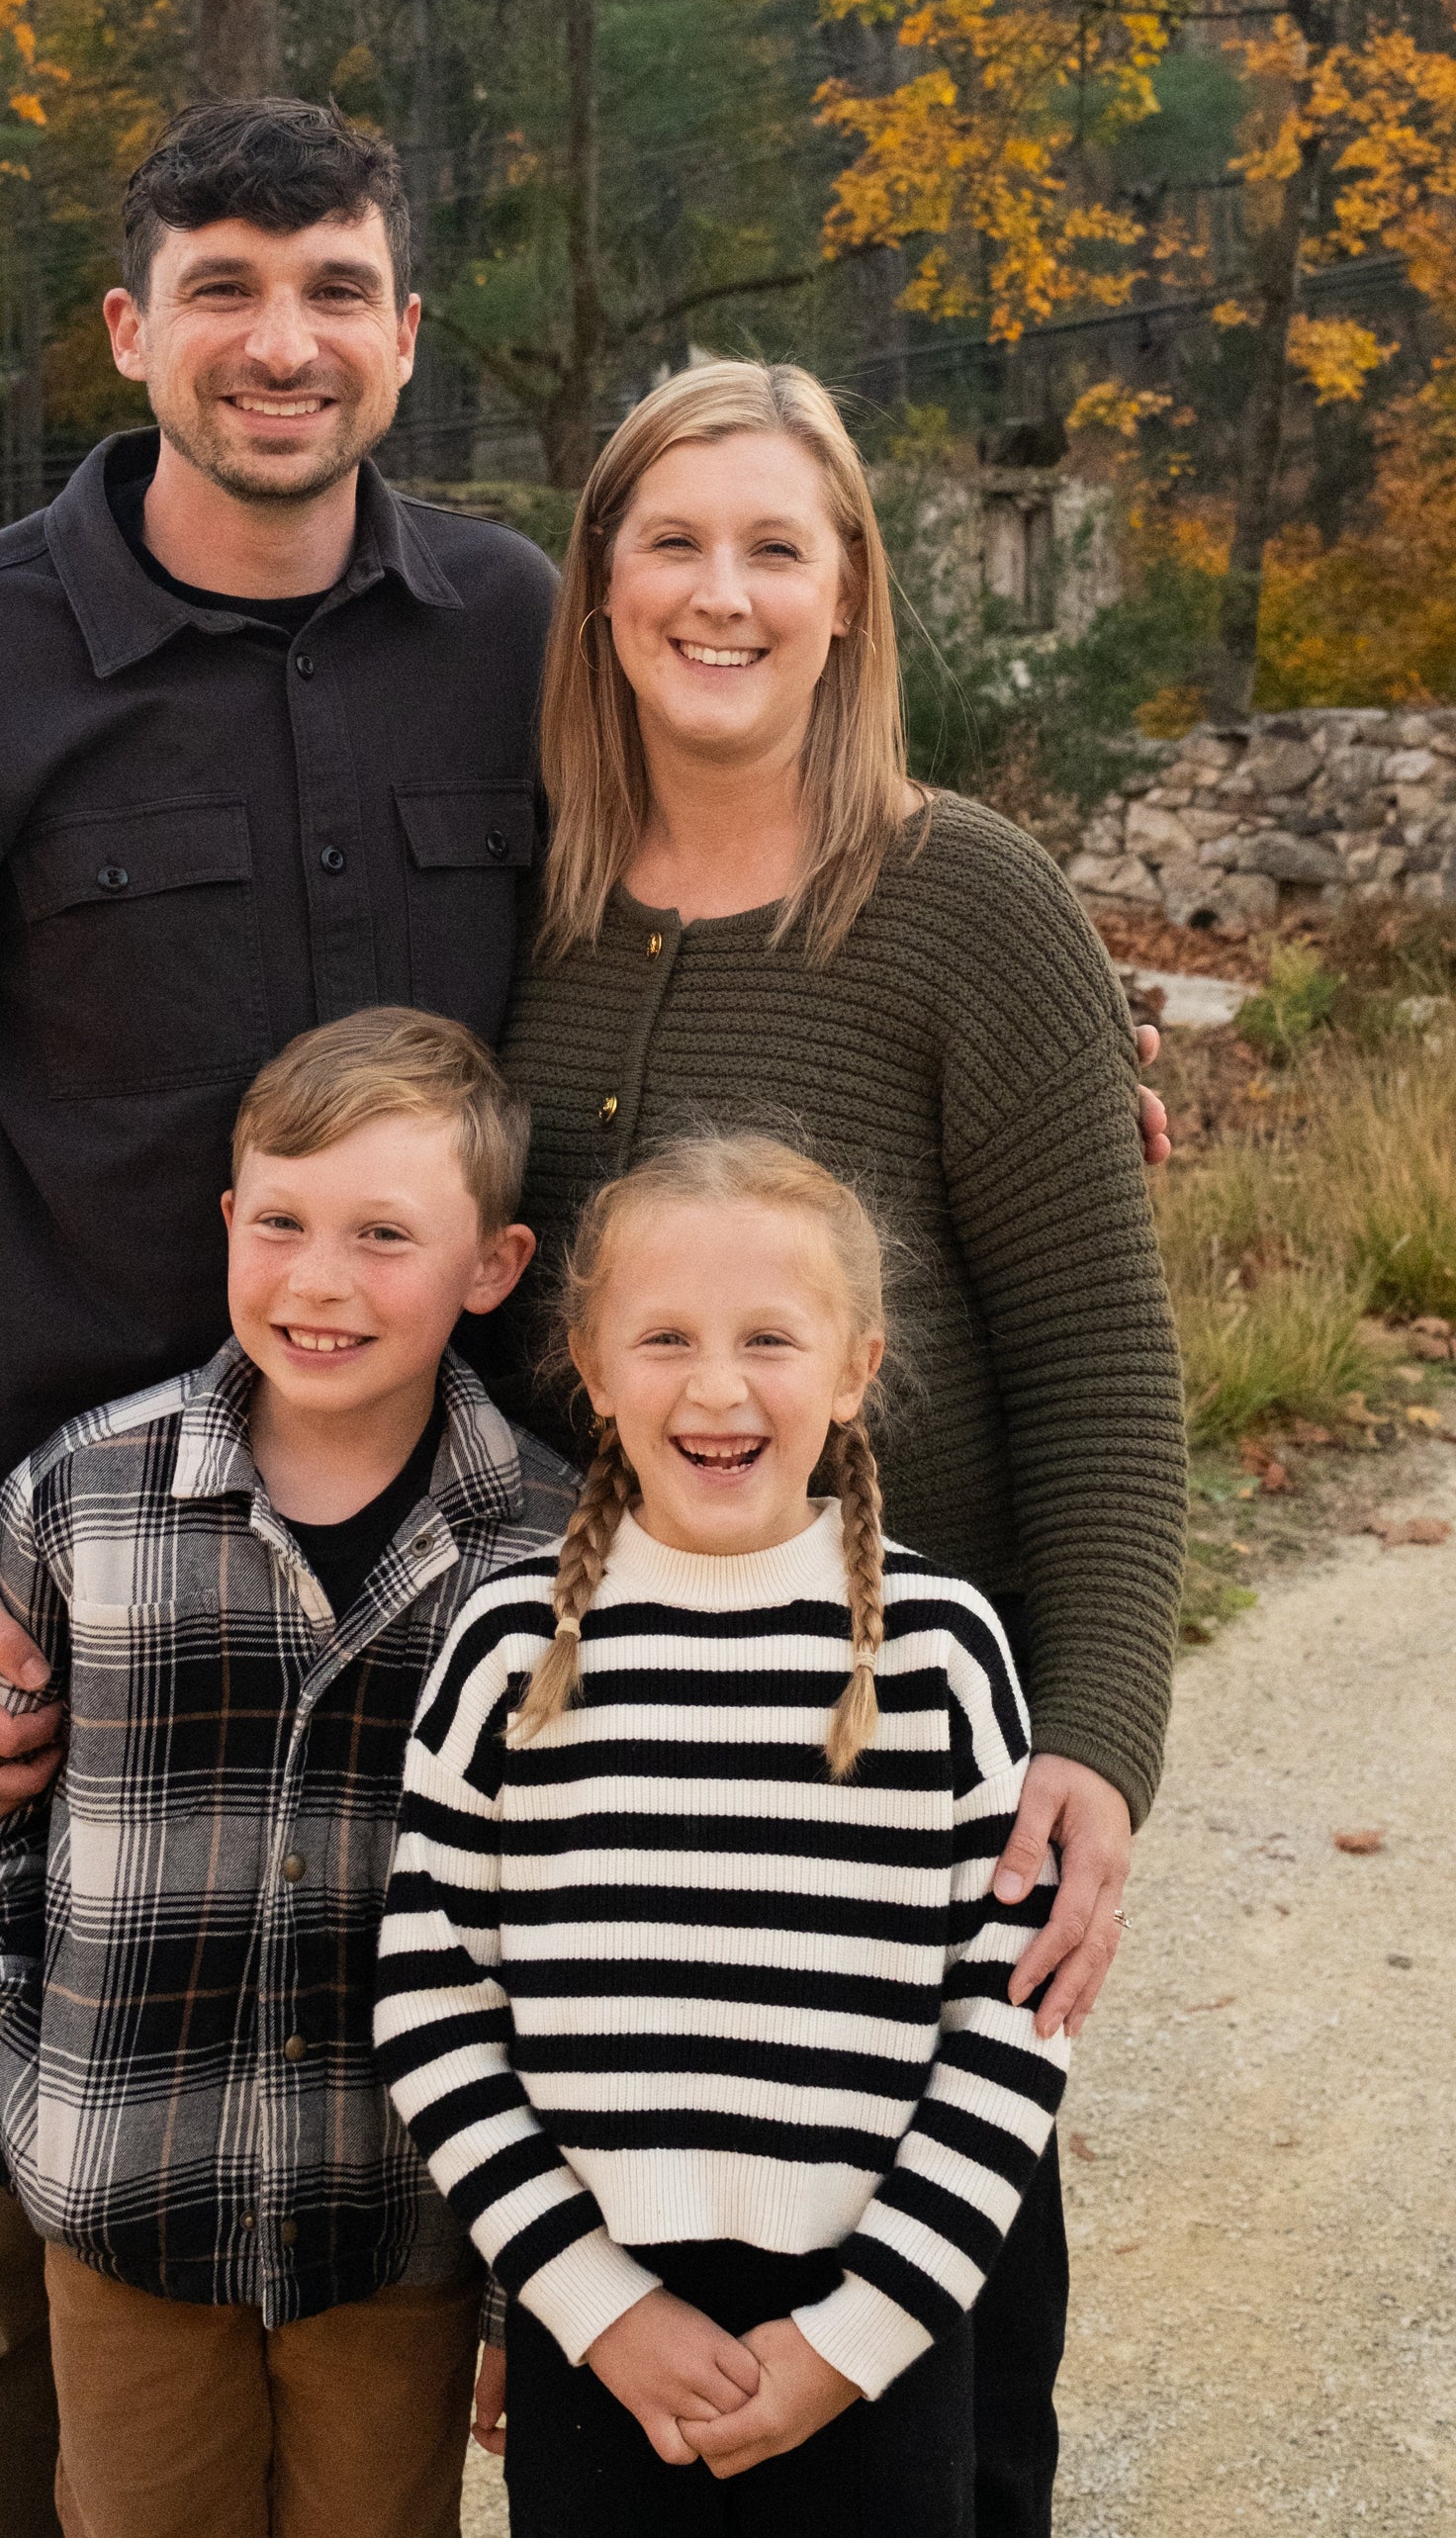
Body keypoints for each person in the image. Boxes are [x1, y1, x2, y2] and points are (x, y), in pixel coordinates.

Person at [0, 101, 563, 2536]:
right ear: (131, 330)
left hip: (454, 1605)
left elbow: (729, 896)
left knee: (431, 2224)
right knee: (9, 2286)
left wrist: (1040, 1024)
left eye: (331, 289)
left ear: (405, 336)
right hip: (67, 1621)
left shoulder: (515, 631)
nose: (278, 341)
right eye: (222, 286)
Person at [492, 360, 1188, 2530]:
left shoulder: (966, 900)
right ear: (601, 584)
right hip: (598, 1830)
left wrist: (1099, 1740)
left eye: (775, 547)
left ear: (851, 593)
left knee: (933, 2443)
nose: (723, 593)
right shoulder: (525, 903)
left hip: (888, 1819)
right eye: (673, 543)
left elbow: (1099, 1362)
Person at [0, 1009, 577, 2538]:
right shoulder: (83, 1501)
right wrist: (36, 2097)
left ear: (493, 1267)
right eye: (280, 1222)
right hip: (124, 2210)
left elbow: (568, 1929)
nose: (318, 1281)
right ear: (226, 1222)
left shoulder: (555, 1554)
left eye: (383, 1235)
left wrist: (525, 2274)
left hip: (399, 2225)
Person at [377, 1132, 1071, 2537]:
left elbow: (1012, 2023)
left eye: (768, 1338)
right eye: (666, 1338)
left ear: (856, 1369)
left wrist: (853, 2340)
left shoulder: (939, 1652)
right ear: (590, 1366)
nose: (715, 1386)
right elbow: (430, 1997)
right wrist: (594, 2303)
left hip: (878, 2337)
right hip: (603, 2343)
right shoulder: (511, 1647)